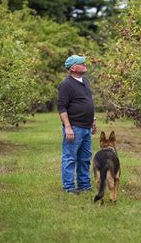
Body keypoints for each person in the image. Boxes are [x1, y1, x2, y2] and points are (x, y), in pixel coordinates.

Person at [57, 55, 97, 193]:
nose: (85, 64)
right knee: (70, 158)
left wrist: (93, 119)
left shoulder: (85, 81)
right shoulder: (66, 85)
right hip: (74, 127)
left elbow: (88, 101)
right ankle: (69, 187)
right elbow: (62, 108)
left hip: (86, 127)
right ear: (73, 68)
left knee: (85, 158)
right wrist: (68, 127)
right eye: (81, 63)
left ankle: (84, 185)